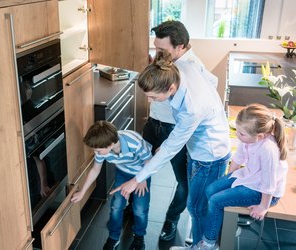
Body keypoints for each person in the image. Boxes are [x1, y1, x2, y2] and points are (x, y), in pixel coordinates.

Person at [111, 50, 231, 246]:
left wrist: (136, 179)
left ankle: (203, 245)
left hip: (209, 155)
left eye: (153, 97)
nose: (149, 101)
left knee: (197, 208)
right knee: (196, 204)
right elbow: (212, 79)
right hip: (200, 146)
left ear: (171, 88)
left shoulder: (191, 109)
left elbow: (170, 149)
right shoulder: (183, 67)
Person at [171, 104, 289, 250]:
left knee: (215, 201)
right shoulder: (249, 138)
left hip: (264, 192)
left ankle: (208, 243)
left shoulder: (268, 149)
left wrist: (263, 206)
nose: (238, 135)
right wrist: (225, 181)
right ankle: (214, 231)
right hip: (250, 178)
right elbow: (238, 159)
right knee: (210, 189)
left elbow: (269, 182)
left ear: (259, 136)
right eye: (237, 131)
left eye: (241, 134)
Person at [142, 20, 219, 242]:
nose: (157, 53)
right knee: (143, 166)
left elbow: (211, 83)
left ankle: (171, 220)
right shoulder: (168, 59)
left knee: (183, 181)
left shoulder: (191, 65)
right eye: (156, 48)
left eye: (161, 50)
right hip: (153, 122)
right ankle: (137, 207)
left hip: (173, 128)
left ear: (181, 46)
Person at [71, 121, 153, 250]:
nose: (95, 152)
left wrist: (142, 179)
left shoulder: (134, 142)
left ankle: (139, 237)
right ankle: (113, 238)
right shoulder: (102, 148)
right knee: (116, 206)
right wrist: (82, 192)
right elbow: (95, 170)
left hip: (142, 173)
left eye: (97, 150)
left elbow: (149, 161)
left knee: (140, 209)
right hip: (122, 172)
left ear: (110, 144)